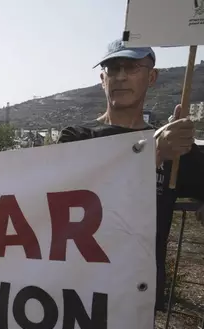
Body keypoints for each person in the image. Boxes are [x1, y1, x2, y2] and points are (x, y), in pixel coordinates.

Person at [57, 39, 204, 313]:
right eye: (113, 69)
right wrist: (154, 155)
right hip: (76, 291)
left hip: (137, 297)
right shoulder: (76, 137)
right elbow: (67, 195)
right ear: (103, 79)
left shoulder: (173, 146)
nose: (121, 76)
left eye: (132, 67)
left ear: (152, 76)